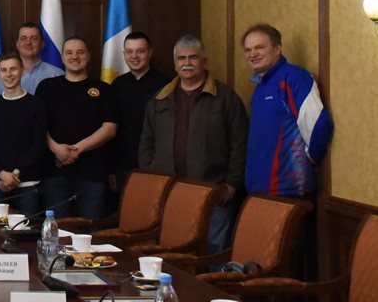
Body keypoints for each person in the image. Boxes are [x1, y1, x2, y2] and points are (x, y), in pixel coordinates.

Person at [139, 34, 248, 254]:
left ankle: (214, 279)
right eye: (181, 58)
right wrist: (152, 178)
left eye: (193, 57)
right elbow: (147, 142)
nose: (187, 63)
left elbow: (240, 143)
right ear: (175, 64)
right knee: (173, 248)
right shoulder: (160, 98)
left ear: (204, 61)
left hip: (214, 191)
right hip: (169, 191)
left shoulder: (225, 98)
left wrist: (232, 183)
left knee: (214, 249)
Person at [242, 23, 333, 198]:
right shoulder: (260, 86)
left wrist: (304, 162)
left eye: (259, 47)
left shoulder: (294, 78)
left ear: (277, 49)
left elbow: (319, 126)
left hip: (288, 191)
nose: (252, 54)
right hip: (260, 190)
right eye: (248, 50)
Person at [36, 37, 117, 220]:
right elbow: (38, 126)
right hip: (54, 172)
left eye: (80, 52)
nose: (75, 57)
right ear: (62, 57)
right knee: (56, 228)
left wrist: (76, 150)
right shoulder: (46, 88)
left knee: (91, 228)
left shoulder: (104, 89)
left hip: (92, 173)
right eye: (69, 52)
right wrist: (56, 149)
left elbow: (110, 128)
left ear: (88, 56)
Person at [0, 52, 47, 215]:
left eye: (13, 69)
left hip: (27, 185)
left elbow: (38, 146)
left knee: (27, 229)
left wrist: (15, 174)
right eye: (4, 70)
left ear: (22, 70)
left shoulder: (37, 105)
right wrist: (2, 174)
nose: (8, 74)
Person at [110, 31, 170, 194]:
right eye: (129, 51)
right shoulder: (117, 85)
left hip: (158, 165)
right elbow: (112, 129)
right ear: (124, 54)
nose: (134, 56)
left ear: (150, 52)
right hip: (123, 166)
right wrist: (111, 168)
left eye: (140, 51)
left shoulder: (167, 84)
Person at [0, 22, 62, 99]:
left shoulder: (56, 74)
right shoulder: (2, 76)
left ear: (42, 44)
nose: (28, 42)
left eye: (34, 38)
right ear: (17, 44)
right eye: (23, 38)